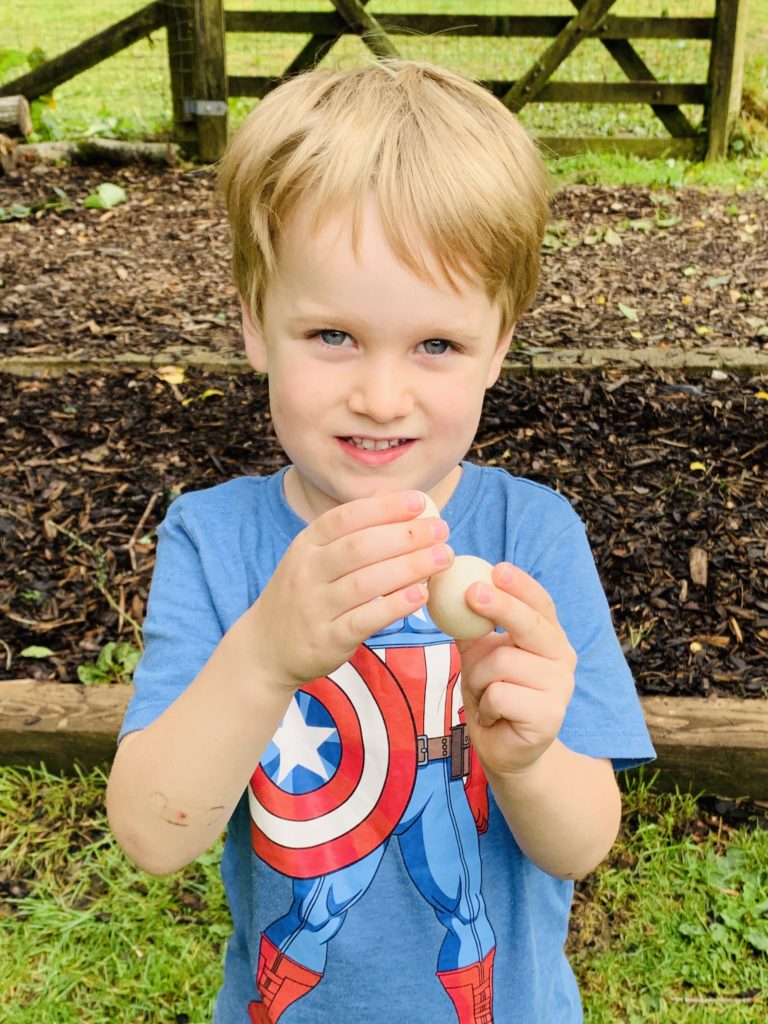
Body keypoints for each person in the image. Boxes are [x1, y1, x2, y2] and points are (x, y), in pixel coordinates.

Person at [107, 58, 655, 1024]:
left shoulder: (530, 536)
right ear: (254, 327)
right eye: (331, 335)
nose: (382, 396)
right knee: (316, 911)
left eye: (435, 345)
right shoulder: (217, 542)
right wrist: (265, 656)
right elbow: (155, 836)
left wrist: (526, 762)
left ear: (499, 347)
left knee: (461, 914)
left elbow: (580, 846)